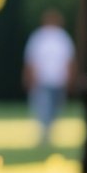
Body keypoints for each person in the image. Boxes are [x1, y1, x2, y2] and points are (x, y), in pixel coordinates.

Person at [22, 10, 75, 148]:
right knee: (43, 107)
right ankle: (45, 133)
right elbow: (31, 60)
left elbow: (68, 61)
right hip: (42, 80)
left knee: (55, 108)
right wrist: (30, 77)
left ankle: (49, 131)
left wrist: (69, 78)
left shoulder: (62, 38)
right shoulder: (39, 38)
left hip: (58, 80)